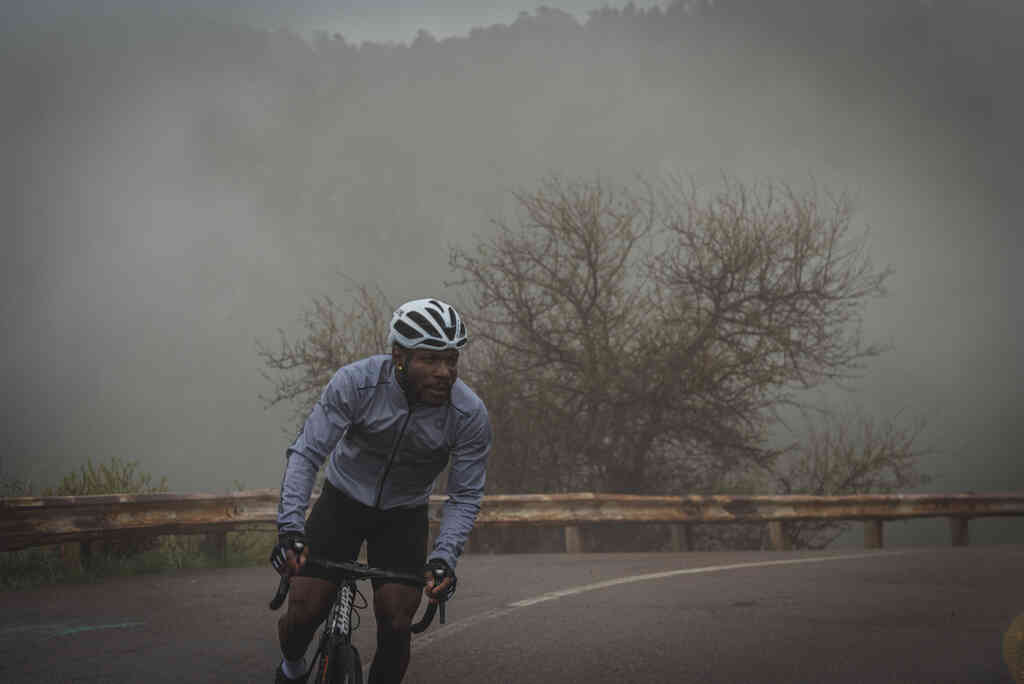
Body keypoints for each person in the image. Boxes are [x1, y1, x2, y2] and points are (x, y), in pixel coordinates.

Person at [269, 298, 492, 684]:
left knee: (396, 622)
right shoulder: (357, 382)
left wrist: (443, 558)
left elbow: (465, 496)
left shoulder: (468, 413)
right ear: (399, 357)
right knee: (305, 613)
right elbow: (307, 453)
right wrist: (291, 528)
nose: (444, 372)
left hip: (403, 514)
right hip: (342, 500)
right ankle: (291, 669)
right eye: (431, 359)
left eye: (451, 360)